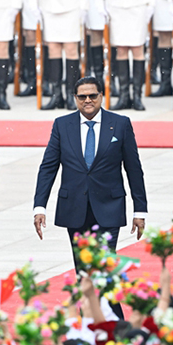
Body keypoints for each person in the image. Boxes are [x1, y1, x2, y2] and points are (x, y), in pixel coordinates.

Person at [32, 75, 148, 282]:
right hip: (74, 209)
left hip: (109, 207)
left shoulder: (120, 124)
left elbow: (133, 169)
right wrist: (39, 207)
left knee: (104, 271)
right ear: (75, 98)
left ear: (101, 96)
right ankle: (89, 313)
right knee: (84, 273)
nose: (88, 100)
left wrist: (140, 210)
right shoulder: (62, 125)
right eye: (82, 96)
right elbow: (48, 168)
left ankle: (109, 314)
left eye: (92, 96)